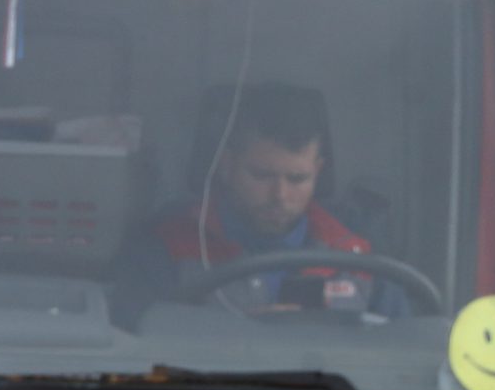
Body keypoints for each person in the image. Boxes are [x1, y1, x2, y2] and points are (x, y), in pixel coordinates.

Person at [150, 83, 388, 314]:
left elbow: (402, 343)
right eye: (261, 175)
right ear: (226, 165)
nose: (279, 195)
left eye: (297, 179)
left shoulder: (355, 258)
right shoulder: (169, 248)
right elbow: (138, 348)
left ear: (317, 172)